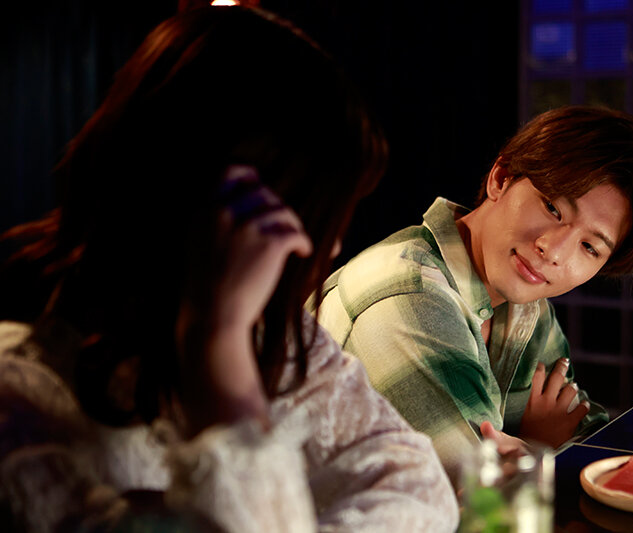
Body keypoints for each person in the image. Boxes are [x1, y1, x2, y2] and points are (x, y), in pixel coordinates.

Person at [0, 5, 459, 532]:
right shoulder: (21, 398)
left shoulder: (274, 337)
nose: (331, 247)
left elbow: (421, 489)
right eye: (312, 218)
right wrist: (217, 349)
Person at [313, 105, 633, 487]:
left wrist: (531, 457)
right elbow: (477, 496)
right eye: (552, 207)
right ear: (500, 179)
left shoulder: (525, 306)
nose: (554, 251)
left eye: (589, 247)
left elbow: (594, 443)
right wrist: (540, 449)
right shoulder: (408, 298)